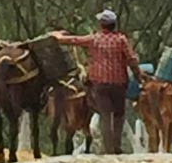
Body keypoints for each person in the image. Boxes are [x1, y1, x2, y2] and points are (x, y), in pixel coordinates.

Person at [52, 10, 146, 154]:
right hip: (119, 84)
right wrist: (139, 77)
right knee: (119, 115)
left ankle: (109, 149)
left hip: (100, 84)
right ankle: (117, 146)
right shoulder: (121, 40)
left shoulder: (94, 39)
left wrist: (57, 37)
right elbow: (131, 60)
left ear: (102, 25)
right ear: (114, 25)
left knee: (105, 115)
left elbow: (74, 40)